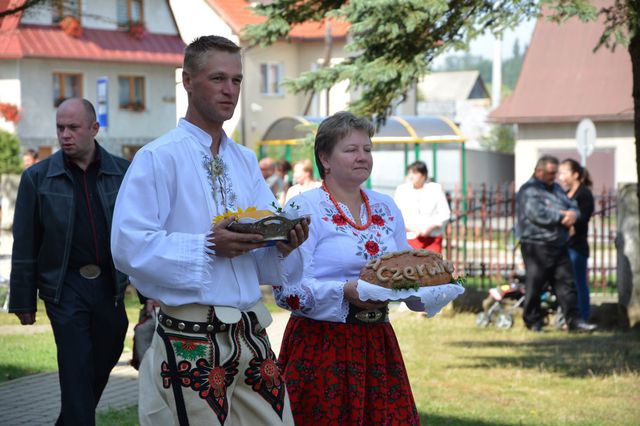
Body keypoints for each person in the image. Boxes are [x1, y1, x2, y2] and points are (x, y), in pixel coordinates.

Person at [110, 35, 308, 426]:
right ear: (187, 80)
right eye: (218, 78)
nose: (229, 90)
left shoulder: (244, 159)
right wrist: (206, 246)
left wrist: (282, 242)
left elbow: (261, 236)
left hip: (250, 330)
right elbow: (128, 245)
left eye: (236, 80)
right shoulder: (157, 157)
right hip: (190, 335)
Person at [275, 111, 420, 424]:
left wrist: (428, 285)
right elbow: (286, 289)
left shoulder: (386, 206)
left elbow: (405, 269)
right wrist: (344, 292)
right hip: (321, 346)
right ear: (325, 158)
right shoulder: (304, 207)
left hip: (377, 343)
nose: (362, 157)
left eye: (367, 149)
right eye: (351, 149)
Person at [8, 98, 129, 425]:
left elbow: (141, 233)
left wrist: (150, 294)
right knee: (75, 369)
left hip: (110, 286)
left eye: (73, 127)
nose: (65, 135)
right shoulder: (38, 177)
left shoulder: (123, 172)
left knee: (109, 351)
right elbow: (25, 242)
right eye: (60, 127)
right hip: (65, 287)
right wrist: (22, 298)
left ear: (94, 128)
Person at [516, 155, 596, 333]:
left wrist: (573, 215)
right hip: (536, 245)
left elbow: (572, 205)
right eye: (551, 173)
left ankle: (575, 321)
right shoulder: (528, 190)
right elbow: (537, 214)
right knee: (536, 284)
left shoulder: (557, 189)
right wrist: (562, 216)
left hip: (558, 244)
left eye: (556, 173)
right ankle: (533, 321)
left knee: (567, 284)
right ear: (539, 171)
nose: (554, 177)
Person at [558, 158, 595, 321]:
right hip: (563, 244)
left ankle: (583, 317)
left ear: (575, 174)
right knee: (566, 284)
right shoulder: (564, 195)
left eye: (564, 172)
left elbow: (580, 219)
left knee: (579, 283)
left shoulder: (584, 194)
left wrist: (569, 219)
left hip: (577, 247)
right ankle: (569, 317)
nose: (560, 177)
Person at [394, 160, 450, 253]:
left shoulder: (435, 189)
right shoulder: (402, 190)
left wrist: (430, 227)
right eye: (409, 173)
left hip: (432, 238)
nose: (411, 176)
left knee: (432, 265)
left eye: (415, 173)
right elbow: (396, 214)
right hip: (409, 238)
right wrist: (412, 228)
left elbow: (445, 213)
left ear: (423, 175)